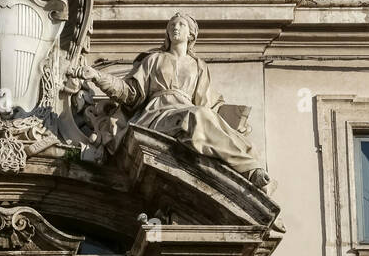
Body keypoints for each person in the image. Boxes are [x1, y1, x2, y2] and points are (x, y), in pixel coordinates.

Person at [81, 12, 268, 186]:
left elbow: (208, 103)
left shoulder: (198, 66)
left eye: (180, 25)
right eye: (171, 25)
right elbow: (130, 93)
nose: (175, 28)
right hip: (155, 115)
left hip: (186, 112)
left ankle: (249, 166)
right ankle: (248, 169)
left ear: (191, 35)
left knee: (204, 118)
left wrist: (236, 119)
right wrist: (98, 77)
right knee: (198, 117)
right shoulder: (154, 59)